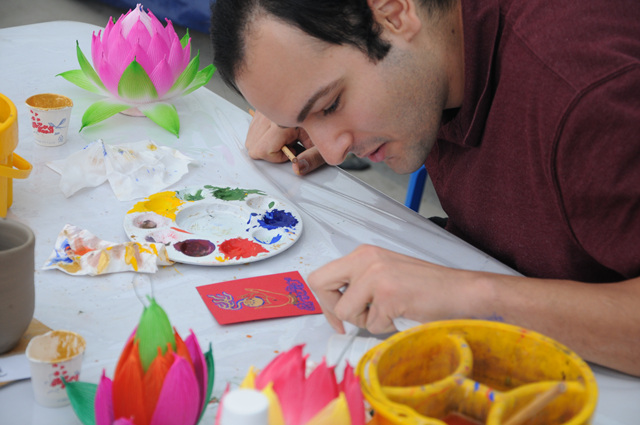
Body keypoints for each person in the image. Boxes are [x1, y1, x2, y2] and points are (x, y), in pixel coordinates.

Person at [210, 0, 640, 376]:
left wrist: (469, 294)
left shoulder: (587, 95)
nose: (334, 153)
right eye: (301, 121)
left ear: (394, 13)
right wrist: (301, 111)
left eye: (330, 104)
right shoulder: (432, 58)